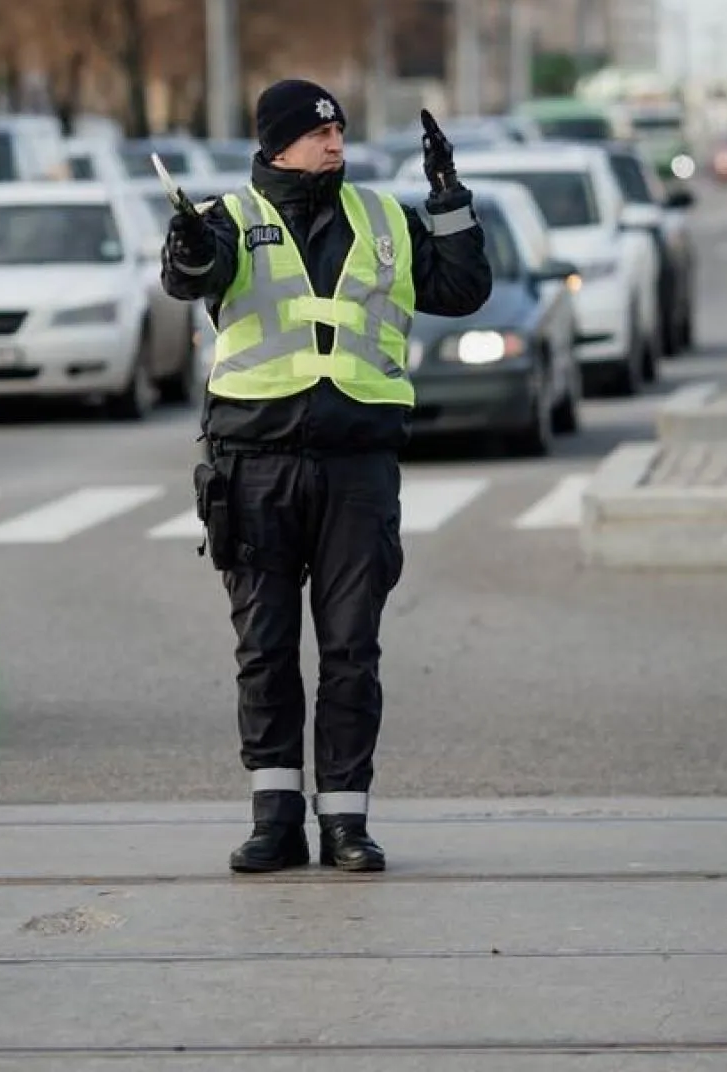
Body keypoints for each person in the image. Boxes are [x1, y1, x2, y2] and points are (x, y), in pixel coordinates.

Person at [160, 79, 492, 874]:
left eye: (340, 129)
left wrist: (450, 200)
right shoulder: (229, 220)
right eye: (318, 133)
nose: (334, 143)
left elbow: (462, 288)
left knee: (351, 648)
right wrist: (188, 246)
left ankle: (347, 819)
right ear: (277, 144)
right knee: (265, 650)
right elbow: (192, 276)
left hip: (357, 466)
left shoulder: (383, 217)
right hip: (253, 463)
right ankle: (275, 819)